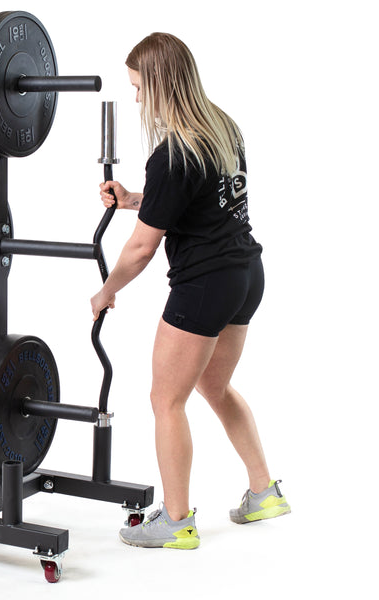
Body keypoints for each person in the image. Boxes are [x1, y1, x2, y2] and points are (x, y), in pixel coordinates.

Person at [91, 33, 290, 549]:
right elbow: (198, 205)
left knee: (165, 399)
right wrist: (136, 197)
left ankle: (176, 522)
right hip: (245, 276)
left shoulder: (173, 152)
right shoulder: (221, 126)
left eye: (138, 88)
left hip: (205, 285)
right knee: (214, 388)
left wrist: (107, 290)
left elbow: (140, 249)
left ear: (158, 84)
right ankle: (264, 492)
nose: (136, 99)